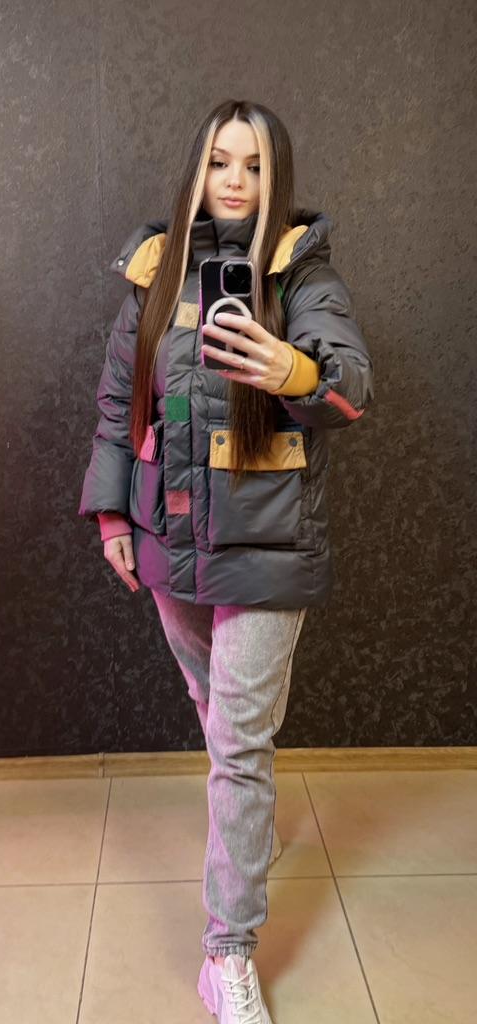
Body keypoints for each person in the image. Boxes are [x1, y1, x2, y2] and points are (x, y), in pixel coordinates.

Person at [78, 98, 374, 1022]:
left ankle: (227, 953)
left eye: (253, 163)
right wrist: (111, 515)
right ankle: (251, 828)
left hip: (269, 545)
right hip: (169, 537)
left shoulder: (302, 273)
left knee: (240, 744)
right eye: (219, 161)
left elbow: (352, 385)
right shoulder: (156, 274)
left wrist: (292, 371)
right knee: (220, 716)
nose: (235, 180)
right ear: (197, 171)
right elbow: (121, 404)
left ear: (275, 175)